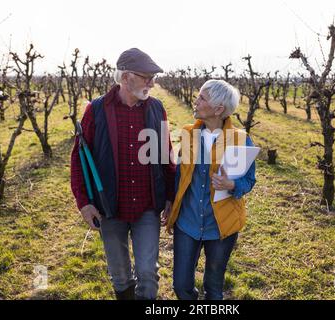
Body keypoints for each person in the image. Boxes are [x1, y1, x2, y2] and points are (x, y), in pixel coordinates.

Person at [70, 48, 176, 300]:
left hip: (147, 206)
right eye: (146, 77)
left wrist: (171, 196)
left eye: (153, 77)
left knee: (147, 271)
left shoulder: (156, 109)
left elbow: (166, 155)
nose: (152, 83)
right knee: (119, 274)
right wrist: (84, 202)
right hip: (110, 206)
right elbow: (79, 158)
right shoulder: (96, 110)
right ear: (126, 76)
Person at [166, 79, 257, 300]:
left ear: (218, 109)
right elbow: (179, 176)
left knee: (214, 287)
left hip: (221, 226)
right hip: (187, 222)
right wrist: (171, 204)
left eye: (202, 98)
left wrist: (233, 185)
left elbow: (250, 180)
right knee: (180, 285)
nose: (195, 101)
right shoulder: (188, 134)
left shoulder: (240, 139)